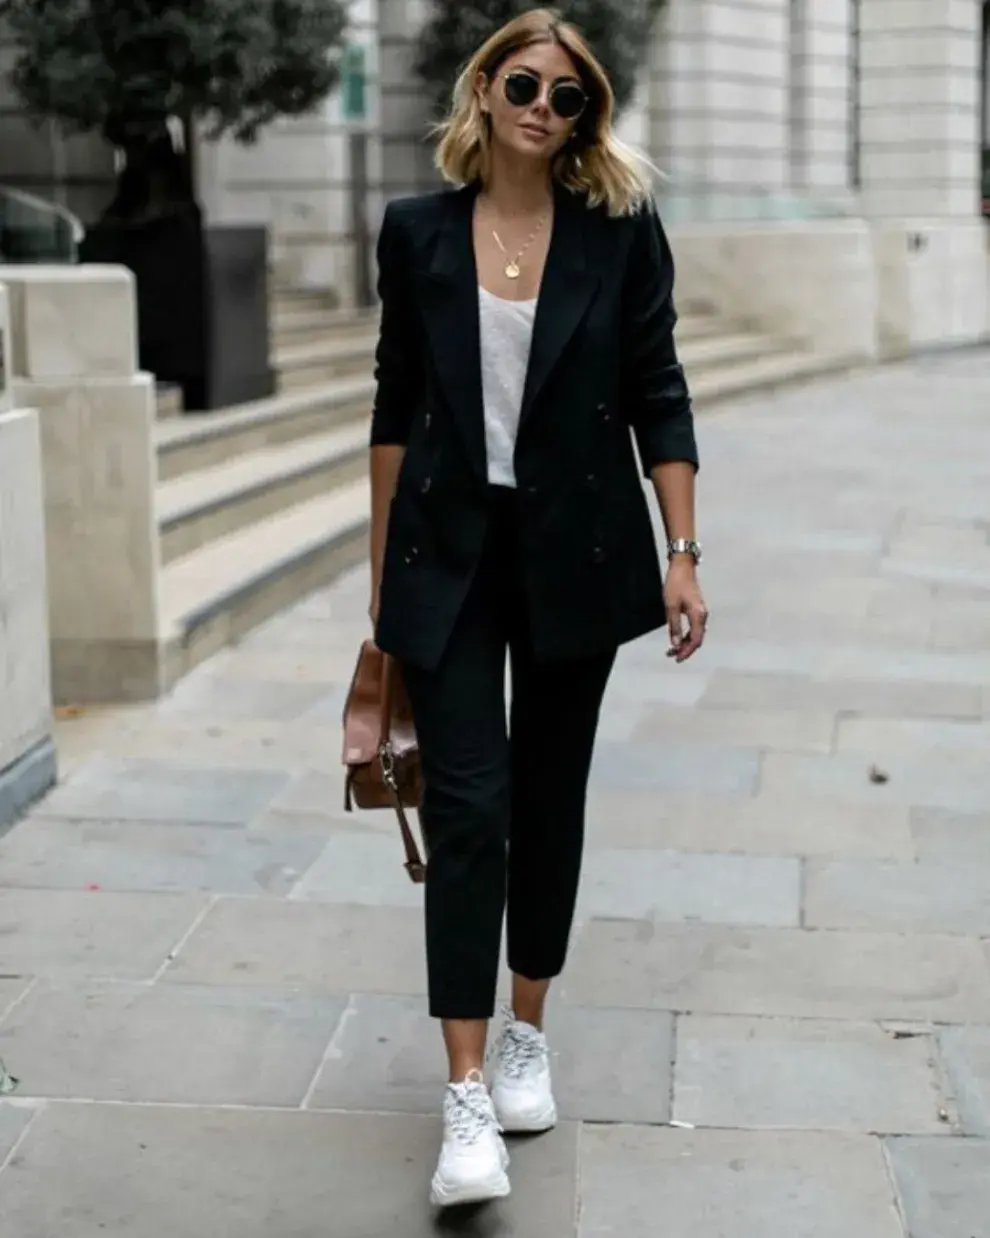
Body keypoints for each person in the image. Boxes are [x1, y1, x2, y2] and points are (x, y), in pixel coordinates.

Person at [368, 6, 707, 1209]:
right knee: (470, 804)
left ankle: (525, 1029)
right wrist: (381, 591)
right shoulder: (416, 233)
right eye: (525, 84)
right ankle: (464, 1096)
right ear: (486, 88)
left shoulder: (618, 234)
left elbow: (659, 388)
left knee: (549, 794)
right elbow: (394, 411)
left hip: (581, 553)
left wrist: (683, 548)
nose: (542, 108)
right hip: (451, 560)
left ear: (584, 121)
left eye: (569, 98)